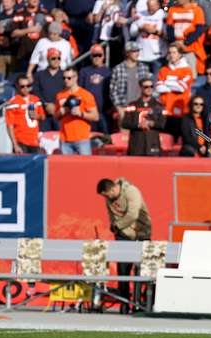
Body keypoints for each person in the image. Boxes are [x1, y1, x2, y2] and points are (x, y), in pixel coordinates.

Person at [97, 177, 152, 314]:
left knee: (141, 271)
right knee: (123, 270)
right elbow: (112, 216)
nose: (107, 198)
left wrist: (118, 225)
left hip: (141, 232)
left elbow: (133, 214)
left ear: (113, 189)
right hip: (123, 235)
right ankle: (124, 303)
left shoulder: (131, 192)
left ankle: (139, 303)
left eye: (108, 195)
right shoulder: (108, 198)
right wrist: (115, 228)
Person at [55, 67, 99, 155]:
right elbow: (56, 116)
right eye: (64, 78)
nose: (66, 80)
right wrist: (62, 112)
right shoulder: (60, 95)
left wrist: (81, 114)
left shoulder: (86, 95)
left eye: (69, 78)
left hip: (82, 138)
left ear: (76, 78)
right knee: (66, 168)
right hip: (65, 139)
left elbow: (96, 117)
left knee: (85, 167)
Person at [156, 43, 194, 140]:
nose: (171, 55)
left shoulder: (187, 70)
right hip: (165, 111)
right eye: (170, 52)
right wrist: (175, 82)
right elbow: (159, 87)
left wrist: (166, 82)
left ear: (180, 54)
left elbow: (181, 87)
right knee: (165, 141)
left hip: (180, 111)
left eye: (174, 52)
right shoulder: (163, 70)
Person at [121, 78, 166, 156]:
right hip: (136, 145)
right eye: (146, 87)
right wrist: (139, 124)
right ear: (140, 88)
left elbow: (163, 124)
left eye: (151, 86)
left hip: (153, 144)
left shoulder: (159, 106)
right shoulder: (132, 105)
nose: (149, 89)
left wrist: (152, 123)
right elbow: (125, 123)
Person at [110, 41, 152, 125]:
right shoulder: (118, 69)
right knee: (124, 135)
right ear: (127, 53)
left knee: (140, 134)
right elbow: (113, 91)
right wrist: (119, 108)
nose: (137, 53)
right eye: (134, 51)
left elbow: (149, 88)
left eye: (138, 51)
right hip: (124, 106)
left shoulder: (144, 68)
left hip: (141, 106)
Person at [5, 74, 45, 154]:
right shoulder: (13, 102)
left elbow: (43, 117)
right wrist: (15, 145)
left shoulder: (35, 99)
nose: (26, 88)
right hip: (21, 142)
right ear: (17, 86)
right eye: (22, 86)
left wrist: (37, 116)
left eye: (28, 85)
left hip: (35, 141)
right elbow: (10, 125)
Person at [166, 0, 206, 76]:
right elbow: (169, 28)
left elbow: (199, 30)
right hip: (175, 50)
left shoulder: (197, 9)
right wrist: (175, 42)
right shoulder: (172, 9)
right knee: (174, 75)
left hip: (190, 49)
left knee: (191, 76)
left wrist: (185, 42)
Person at [78, 44, 111, 134]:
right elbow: (80, 90)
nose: (97, 58)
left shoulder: (109, 72)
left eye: (99, 55)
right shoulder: (84, 71)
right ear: (90, 57)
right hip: (88, 110)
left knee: (106, 135)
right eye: (94, 55)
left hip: (104, 111)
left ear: (103, 56)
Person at [129, 0, 166, 75]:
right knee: (141, 82)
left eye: (153, 7)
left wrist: (155, 31)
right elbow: (132, 33)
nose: (150, 9)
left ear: (158, 5)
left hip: (158, 55)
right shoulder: (140, 15)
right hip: (141, 55)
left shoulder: (164, 15)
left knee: (156, 82)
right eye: (149, 7)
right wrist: (141, 29)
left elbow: (167, 35)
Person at [32, 48, 64, 131]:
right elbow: (35, 91)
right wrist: (45, 104)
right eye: (53, 58)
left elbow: (68, 91)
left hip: (60, 112)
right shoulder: (39, 75)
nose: (56, 60)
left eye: (58, 58)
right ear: (48, 59)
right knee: (45, 139)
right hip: (43, 113)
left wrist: (56, 105)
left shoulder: (65, 75)